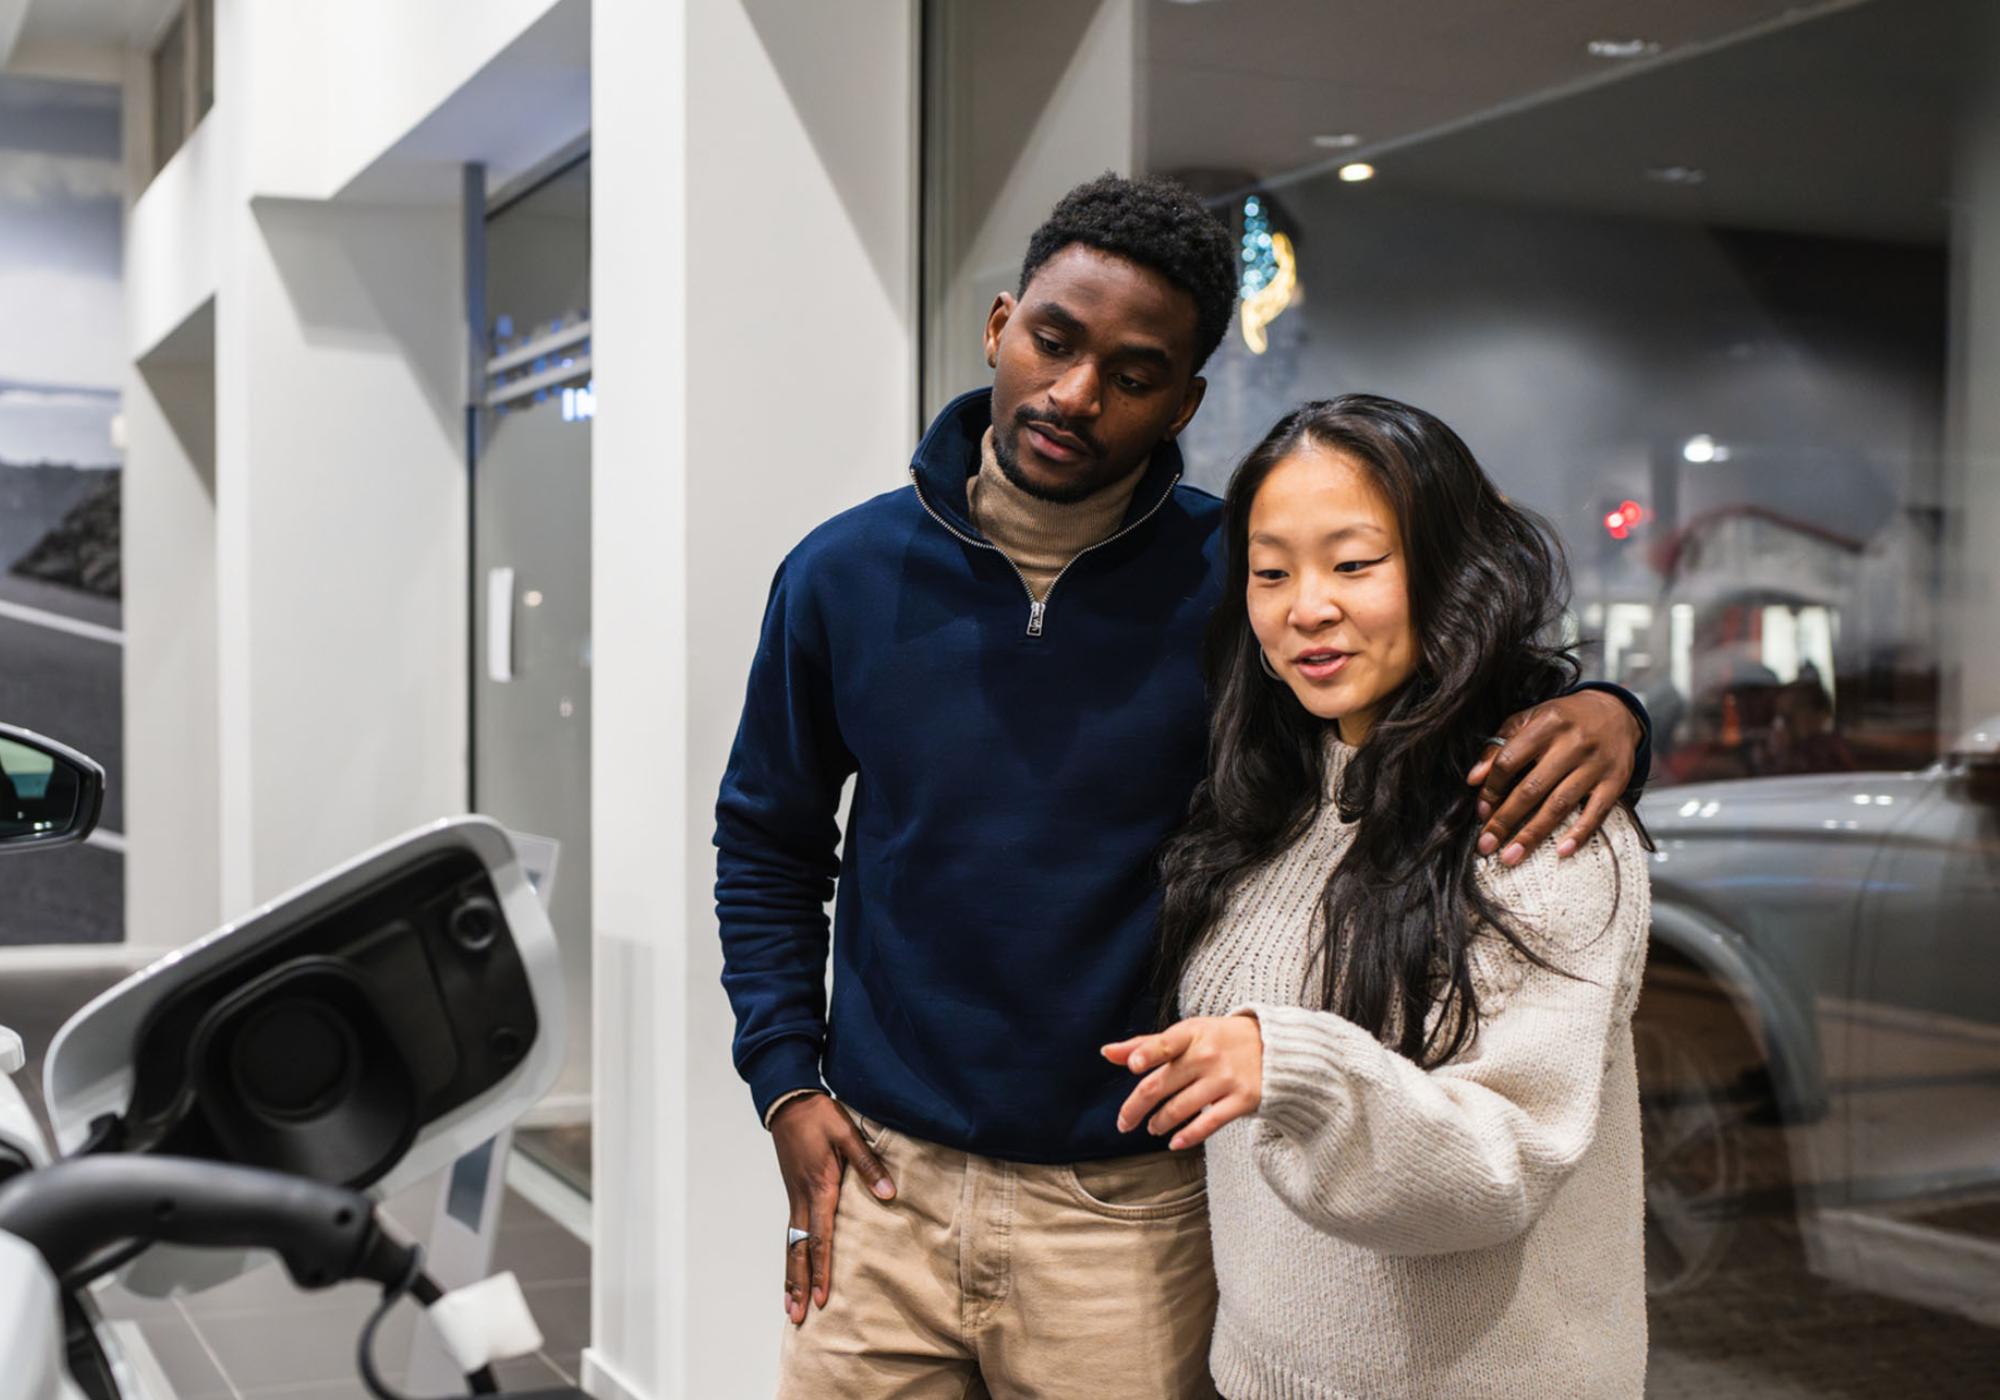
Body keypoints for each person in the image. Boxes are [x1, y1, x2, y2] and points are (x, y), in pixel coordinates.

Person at [714, 176, 1650, 1399]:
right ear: (1000, 323)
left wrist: (1614, 713)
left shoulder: (1237, 577)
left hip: (1131, 1204)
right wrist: (783, 1075)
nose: (1074, 392)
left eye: (1134, 370)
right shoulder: (839, 573)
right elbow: (767, 839)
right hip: (885, 1178)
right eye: (1053, 339)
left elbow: (1408, 709)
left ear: (1186, 401)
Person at [1107, 395, 1651, 1399]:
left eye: (1352, 563)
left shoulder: (1539, 823)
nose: (1304, 606)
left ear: (1449, 568)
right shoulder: (1259, 807)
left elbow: (1501, 1166)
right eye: (1270, 573)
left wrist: (1296, 1068)